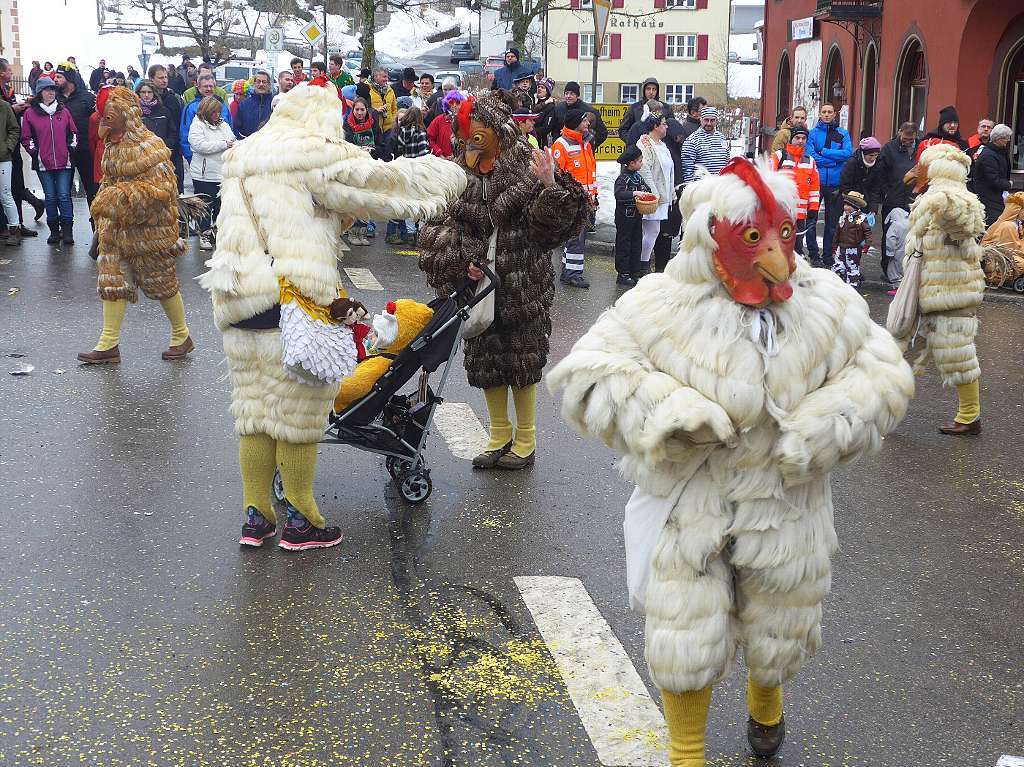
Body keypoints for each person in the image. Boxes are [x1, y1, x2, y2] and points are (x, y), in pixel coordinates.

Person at [547, 156, 913, 767]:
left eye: (782, 236)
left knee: (781, 618)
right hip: (691, 495)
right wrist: (667, 411)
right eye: (753, 238)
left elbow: (881, 372)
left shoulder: (826, 304)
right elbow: (589, 373)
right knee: (683, 625)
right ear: (715, 241)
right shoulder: (661, 305)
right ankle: (686, 751)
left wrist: (823, 428)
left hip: (785, 494)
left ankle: (765, 704)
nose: (775, 252)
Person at [198, 84, 464, 550]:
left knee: (255, 414)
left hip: (236, 297)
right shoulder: (313, 152)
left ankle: (255, 517)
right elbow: (382, 187)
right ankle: (303, 520)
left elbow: (301, 211)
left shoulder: (243, 153)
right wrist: (450, 173)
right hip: (292, 302)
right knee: (299, 417)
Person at [418, 90, 590, 471]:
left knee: (521, 361)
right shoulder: (456, 175)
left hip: (522, 283)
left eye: (478, 137)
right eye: (466, 138)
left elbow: (558, 225)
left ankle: (525, 439)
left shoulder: (527, 166)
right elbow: (436, 231)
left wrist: (549, 187)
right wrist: (463, 262)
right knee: (487, 362)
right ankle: (498, 435)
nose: (471, 147)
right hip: (479, 290)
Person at [77, 86, 192, 366]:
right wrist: (105, 206)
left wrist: (118, 198)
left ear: (124, 116)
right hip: (117, 230)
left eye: (108, 116)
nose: (103, 121)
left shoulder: (148, 147)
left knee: (162, 283)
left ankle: (182, 335)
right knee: (113, 281)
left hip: (150, 229)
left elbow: (163, 190)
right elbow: (109, 181)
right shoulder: (113, 148)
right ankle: (108, 344)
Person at [896, 143, 986, 435]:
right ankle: (881, 411)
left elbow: (964, 224)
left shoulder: (958, 198)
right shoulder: (929, 196)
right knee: (896, 351)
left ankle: (970, 416)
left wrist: (946, 206)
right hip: (923, 289)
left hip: (950, 293)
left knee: (957, 355)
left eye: (923, 166)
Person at [20, 77, 79, 245]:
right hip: (43, 163)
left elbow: (73, 133)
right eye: (47, 89)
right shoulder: (30, 113)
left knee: (63, 196)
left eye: (53, 89)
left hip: (64, 163)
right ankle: (54, 231)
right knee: (51, 197)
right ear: (40, 93)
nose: (51, 92)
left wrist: (70, 149)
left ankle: (67, 232)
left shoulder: (63, 111)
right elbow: (26, 137)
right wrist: (35, 153)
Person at [552, 109, 597, 289]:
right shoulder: (561, 144)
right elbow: (557, 174)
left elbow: (589, 173)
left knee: (577, 238)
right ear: (576, 123)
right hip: (572, 200)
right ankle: (573, 274)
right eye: (584, 121)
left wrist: (593, 197)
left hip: (585, 200)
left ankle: (568, 271)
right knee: (575, 238)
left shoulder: (585, 143)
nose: (587, 124)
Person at [0, 57, 44, 236]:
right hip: (7, 147)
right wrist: (14, 110)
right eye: (9, 70)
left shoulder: (6, 90)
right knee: (10, 187)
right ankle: (12, 224)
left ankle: (16, 224)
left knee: (14, 183)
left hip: (9, 147)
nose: (11, 72)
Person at [806, 102, 852, 267]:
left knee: (832, 223)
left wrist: (825, 152)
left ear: (834, 114)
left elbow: (847, 153)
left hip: (835, 184)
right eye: (824, 112)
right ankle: (813, 255)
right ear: (820, 114)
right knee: (811, 220)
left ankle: (828, 255)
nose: (826, 114)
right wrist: (833, 162)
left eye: (829, 112)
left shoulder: (843, 134)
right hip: (816, 183)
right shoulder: (813, 133)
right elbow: (810, 154)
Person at [188, 96, 235, 250]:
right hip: (203, 175)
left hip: (222, 174)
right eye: (214, 112)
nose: (217, 115)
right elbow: (200, 146)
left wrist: (232, 144)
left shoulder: (224, 125)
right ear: (207, 112)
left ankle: (217, 232)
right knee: (204, 207)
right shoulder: (197, 126)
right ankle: (204, 234)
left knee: (220, 205)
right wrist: (224, 144)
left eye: (219, 112)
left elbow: (232, 140)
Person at [874, 122, 918, 283]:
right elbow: (880, 172)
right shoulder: (889, 148)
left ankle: (905, 269)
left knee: (910, 236)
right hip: (893, 199)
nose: (907, 142)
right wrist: (886, 192)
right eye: (905, 139)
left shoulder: (920, 147)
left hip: (913, 199)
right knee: (890, 236)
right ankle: (887, 269)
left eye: (910, 139)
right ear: (899, 132)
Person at [770, 126, 819, 257]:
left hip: (800, 215)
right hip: (781, 212)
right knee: (779, 246)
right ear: (791, 139)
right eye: (797, 137)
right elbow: (769, 182)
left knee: (797, 249)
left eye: (804, 138)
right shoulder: (779, 156)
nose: (800, 141)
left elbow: (814, 189)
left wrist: (813, 209)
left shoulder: (810, 161)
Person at [54, 62, 97, 208]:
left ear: (69, 79)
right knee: (63, 193)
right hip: (62, 152)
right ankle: (66, 228)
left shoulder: (88, 97)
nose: (55, 79)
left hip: (85, 151)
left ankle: (97, 225)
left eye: (59, 76)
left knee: (93, 190)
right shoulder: (53, 98)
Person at [636, 113, 674, 276]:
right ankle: (642, 264)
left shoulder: (662, 145)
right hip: (653, 196)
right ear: (655, 126)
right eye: (664, 124)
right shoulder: (646, 144)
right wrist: (654, 193)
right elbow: (645, 170)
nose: (666, 127)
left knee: (653, 231)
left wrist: (671, 192)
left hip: (663, 195)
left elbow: (669, 170)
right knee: (652, 231)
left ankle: (642, 263)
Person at [612, 145, 651, 285]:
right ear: (631, 163)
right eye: (640, 161)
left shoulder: (638, 178)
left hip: (637, 216)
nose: (642, 163)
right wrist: (634, 193)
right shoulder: (623, 179)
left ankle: (635, 272)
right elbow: (619, 194)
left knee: (636, 243)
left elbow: (647, 189)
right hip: (624, 218)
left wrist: (647, 194)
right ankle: (623, 273)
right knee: (624, 244)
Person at [180, 73, 231, 166]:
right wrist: (190, 158)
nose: (208, 89)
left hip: (222, 161)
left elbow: (230, 128)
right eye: (205, 86)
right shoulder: (191, 107)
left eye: (211, 86)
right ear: (198, 87)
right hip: (200, 162)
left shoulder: (223, 106)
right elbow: (185, 134)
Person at [148, 64, 185, 192]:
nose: (164, 80)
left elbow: (180, 123)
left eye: (166, 77)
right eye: (160, 78)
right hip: (151, 152)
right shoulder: (145, 100)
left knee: (175, 189)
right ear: (151, 79)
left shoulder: (174, 99)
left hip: (172, 149)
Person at [972, 123, 1013, 228]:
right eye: (1006, 138)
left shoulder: (1000, 152)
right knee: (992, 224)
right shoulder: (988, 155)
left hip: (997, 195)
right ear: (998, 139)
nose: (1008, 140)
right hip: (988, 197)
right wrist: (1008, 184)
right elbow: (993, 180)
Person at [547, 81, 608, 150]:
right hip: (563, 150)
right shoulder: (559, 108)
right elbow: (555, 130)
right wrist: (558, 144)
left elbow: (602, 133)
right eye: (566, 93)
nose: (568, 96)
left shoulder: (590, 111)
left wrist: (589, 146)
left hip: (583, 152)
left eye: (572, 94)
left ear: (577, 95)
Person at [680, 106, 730, 185]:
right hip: (702, 189)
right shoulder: (692, 140)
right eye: (706, 120)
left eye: (712, 120)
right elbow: (687, 170)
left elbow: (727, 162)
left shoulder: (722, 138)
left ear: (716, 121)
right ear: (700, 119)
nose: (709, 123)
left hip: (720, 187)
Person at [832, 190, 872, 286]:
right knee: (838, 266)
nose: (845, 207)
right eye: (845, 204)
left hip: (853, 248)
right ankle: (837, 284)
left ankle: (853, 285)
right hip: (841, 247)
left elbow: (867, 232)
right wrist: (834, 245)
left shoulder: (860, 219)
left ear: (856, 207)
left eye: (848, 205)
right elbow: (837, 233)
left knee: (852, 267)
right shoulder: (842, 218)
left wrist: (867, 244)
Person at [839, 136, 882, 210]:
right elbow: (845, 186)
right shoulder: (852, 163)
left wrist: (873, 210)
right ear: (863, 153)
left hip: (867, 203)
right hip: (850, 204)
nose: (873, 158)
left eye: (876, 155)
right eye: (870, 155)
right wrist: (853, 204)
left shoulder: (878, 164)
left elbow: (876, 189)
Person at [0, 90, 20, 245]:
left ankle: (14, 229)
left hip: (3, 158)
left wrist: (7, 148)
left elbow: (14, 129)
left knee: (6, 194)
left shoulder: (5, 106)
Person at [618, 78, 660, 143]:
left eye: (654, 89)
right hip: (639, 149)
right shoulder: (634, 108)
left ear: (657, 91)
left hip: (659, 148)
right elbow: (623, 130)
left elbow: (670, 129)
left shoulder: (665, 108)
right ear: (644, 91)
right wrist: (633, 142)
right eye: (648, 89)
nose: (651, 92)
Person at [134, 79, 173, 150]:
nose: (146, 95)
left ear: (154, 93)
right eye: (143, 92)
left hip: (161, 151)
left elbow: (172, 132)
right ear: (138, 93)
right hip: (140, 154)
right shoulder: (134, 112)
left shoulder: (164, 111)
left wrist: (166, 144)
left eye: (149, 92)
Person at [234, 70, 273, 139]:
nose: (261, 84)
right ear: (254, 84)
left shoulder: (274, 104)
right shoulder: (244, 105)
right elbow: (237, 128)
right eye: (258, 81)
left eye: (264, 82)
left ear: (269, 84)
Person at [427, 89, 462, 158]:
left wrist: (458, 156)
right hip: (441, 162)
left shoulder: (466, 121)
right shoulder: (439, 120)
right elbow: (429, 138)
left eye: (458, 102)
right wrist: (439, 153)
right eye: (451, 102)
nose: (454, 105)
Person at [369, 67, 398, 132]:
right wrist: (375, 111)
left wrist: (393, 122)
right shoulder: (367, 89)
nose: (386, 79)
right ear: (375, 77)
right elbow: (363, 108)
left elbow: (394, 109)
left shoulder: (390, 90)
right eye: (384, 77)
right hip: (373, 128)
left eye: (387, 77)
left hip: (389, 129)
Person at [533, 77, 556, 147]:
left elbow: (547, 128)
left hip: (542, 142)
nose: (539, 89)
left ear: (547, 91)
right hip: (531, 139)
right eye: (538, 87)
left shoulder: (550, 106)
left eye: (542, 87)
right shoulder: (534, 103)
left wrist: (531, 132)